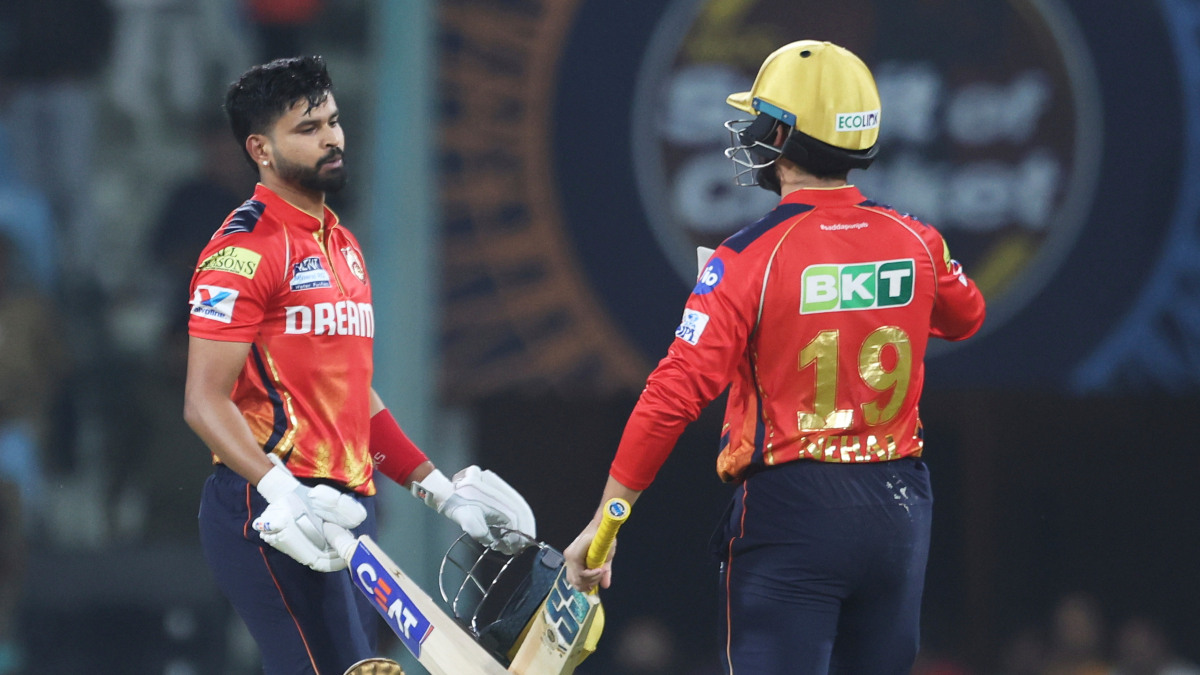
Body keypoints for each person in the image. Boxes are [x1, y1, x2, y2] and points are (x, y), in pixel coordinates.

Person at [563, 40, 986, 674]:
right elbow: (966, 315)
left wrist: (607, 521)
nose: (750, 130)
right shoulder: (916, 239)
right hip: (899, 505)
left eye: (761, 116)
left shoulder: (748, 258)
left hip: (794, 507)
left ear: (785, 135)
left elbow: (673, 395)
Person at [184, 55, 535, 675]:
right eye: (309, 128)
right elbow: (204, 402)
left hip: (349, 510)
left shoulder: (342, 244)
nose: (332, 139)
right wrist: (279, 490)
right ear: (260, 148)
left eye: (334, 121)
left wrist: (441, 492)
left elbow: (353, 399)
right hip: (271, 510)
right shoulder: (241, 251)